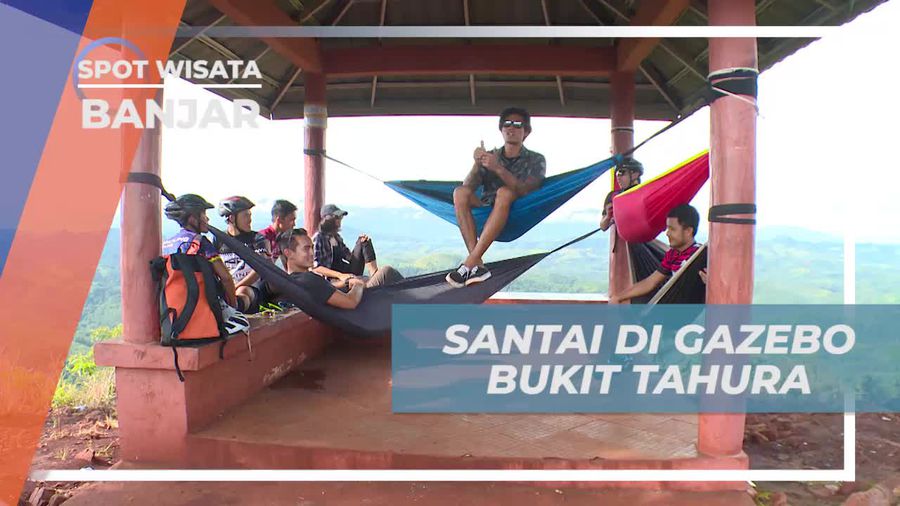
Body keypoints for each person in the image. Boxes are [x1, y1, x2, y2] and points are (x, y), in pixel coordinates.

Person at [447, 107, 547, 287]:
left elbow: (525, 190)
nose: (511, 128)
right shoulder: (491, 156)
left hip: (517, 211)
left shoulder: (536, 159)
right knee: (459, 193)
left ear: (526, 132)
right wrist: (477, 165)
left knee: (504, 192)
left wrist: (498, 168)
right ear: (501, 129)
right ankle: (476, 263)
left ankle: (469, 263)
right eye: (507, 124)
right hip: (487, 210)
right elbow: (468, 187)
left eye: (518, 125)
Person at [609, 204, 706, 304]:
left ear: (688, 231)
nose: (667, 233)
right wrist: (618, 297)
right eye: (667, 229)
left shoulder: (701, 256)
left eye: (672, 229)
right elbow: (650, 282)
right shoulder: (673, 254)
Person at [161, 194, 238, 309]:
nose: (207, 219)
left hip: (172, 309)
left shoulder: (166, 244)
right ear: (192, 218)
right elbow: (225, 278)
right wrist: (233, 305)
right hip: (202, 307)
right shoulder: (200, 242)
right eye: (204, 214)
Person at [312, 204, 403, 288]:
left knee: (363, 241)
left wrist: (360, 245)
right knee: (387, 271)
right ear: (328, 219)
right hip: (334, 280)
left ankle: (374, 274)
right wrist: (340, 275)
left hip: (346, 272)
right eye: (337, 217)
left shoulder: (336, 237)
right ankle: (374, 283)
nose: (340, 220)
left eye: (340, 217)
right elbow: (317, 267)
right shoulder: (319, 238)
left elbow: (349, 257)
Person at [273, 228, 366, 309]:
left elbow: (322, 288)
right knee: (380, 275)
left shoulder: (287, 281)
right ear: (288, 253)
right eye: (306, 248)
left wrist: (346, 282)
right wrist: (358, 284)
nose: (312, 253)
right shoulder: (309, 280)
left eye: (312, 248)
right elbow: (350, 302)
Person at [212, 196, 272, 312]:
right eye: (245, 216)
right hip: (228, 288)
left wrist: (235, 287)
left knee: (243, 291)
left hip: (254, 289)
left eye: (250, 215)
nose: (250, 220)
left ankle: (234, 312)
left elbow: (259, 269)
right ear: (232, 218)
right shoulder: (218, 239)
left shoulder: (258, 239)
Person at [600, 157, 643, 232]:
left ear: (635, 175)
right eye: (617, 174)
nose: (618, 177)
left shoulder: (644, 193)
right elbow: (603, 226)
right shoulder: (613, 196)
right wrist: (608, 216)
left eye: (621, 173)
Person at [259, 199, 297, 267]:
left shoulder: (284, 237)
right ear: (279, 220)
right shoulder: (263, 237)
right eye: (291, 220)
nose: (294, 224)